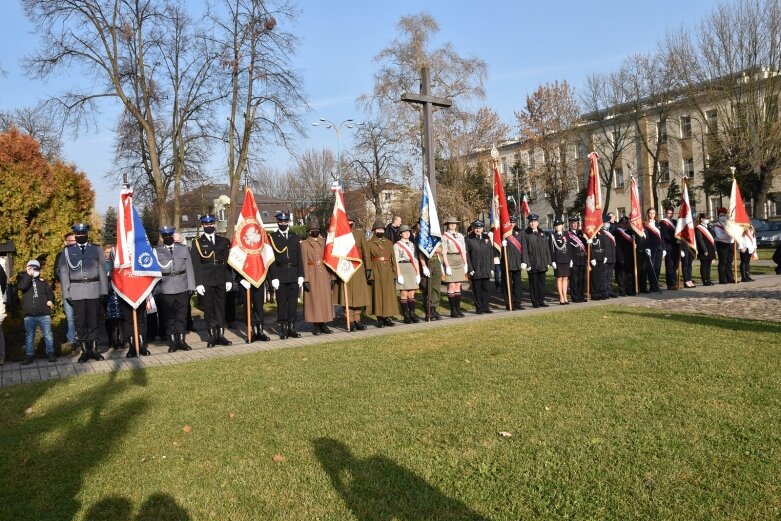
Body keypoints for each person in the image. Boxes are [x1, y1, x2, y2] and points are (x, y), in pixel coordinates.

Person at [60, 222, 108, 363]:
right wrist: (66, 293)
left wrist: (104, 290)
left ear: (87, 234)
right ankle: (84, 351)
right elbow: (64, 273)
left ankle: (93, 350)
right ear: (75, 235)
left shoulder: (96, 249)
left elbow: (102, 271)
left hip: (94, 288)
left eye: (83, 233)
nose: (80, 236)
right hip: (76, 290)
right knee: (80, 322)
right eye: (78, 234)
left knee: (93, 320)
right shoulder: (67, 251)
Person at [191, 214, 232, 347]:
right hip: (206, 279)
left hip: (221, 278)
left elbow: (227, 263)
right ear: (202, 226)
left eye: (211, 224)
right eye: (206, 224)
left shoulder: (223, 241)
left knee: (221, 307)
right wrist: (198, 283)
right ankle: (212, 336)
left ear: (215, 225)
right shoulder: (197, 242)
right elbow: (195, 264)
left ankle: (221, 335)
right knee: (209, 309)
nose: (209, 226)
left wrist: (229, 279)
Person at [155, 225, 196, 352]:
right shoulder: (156, 251)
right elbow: (155, 272)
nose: (168, 237)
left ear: (173, 236)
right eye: (165, 236)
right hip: (165, 288)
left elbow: (189, 268)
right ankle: (173, 342)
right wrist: (156, 289)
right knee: (169, 317)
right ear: (162, 238)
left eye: (170, 235)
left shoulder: (183, 249)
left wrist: (191, 286)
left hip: (182, 287)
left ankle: (182, 341)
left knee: (181, 316)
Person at [332, 213, 371, 331]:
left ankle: (358, 319)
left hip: (358, 269)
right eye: (347, 221)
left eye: (351, 221)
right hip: (344, 269)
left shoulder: (359, 234)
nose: (349, 223)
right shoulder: (338, 235)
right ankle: (350, 321)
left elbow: (366, 252)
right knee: (347, 297)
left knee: (358, 297)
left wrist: (368, 267)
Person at [268, 212, 304, 339]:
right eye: (281, 222)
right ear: (278, 222)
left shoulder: (294, 237)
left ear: (288, 222)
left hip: (293, 274)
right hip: (280, 274)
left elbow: (299, 257)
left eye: (285, 222)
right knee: (282, 303)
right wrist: (273, 277)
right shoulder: (272, 237)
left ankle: (291, 327)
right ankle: (283, 328)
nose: (283, 224)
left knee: (293, 303)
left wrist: (301, 275)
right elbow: (271, 260)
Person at [19, 259, 56, 364]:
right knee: (29, 335)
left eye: (36, 269)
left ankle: (50, 353)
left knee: (48, 334)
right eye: (31, 268)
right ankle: (29, 355)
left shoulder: (43, 281)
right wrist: (28, 275)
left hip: (44, 313)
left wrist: (50, 300)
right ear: (27, 268)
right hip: (29, 314)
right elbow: (22, 287)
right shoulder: (23, 279)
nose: (34, 270)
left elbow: (49, 293)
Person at [301, 219, 335, 335]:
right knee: (314, 300)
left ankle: (324, 324)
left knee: (324, 299)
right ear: (308, 232)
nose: (315, 231)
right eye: (312, 230)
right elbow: (304, 262)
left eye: (317, 229)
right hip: (311, 273)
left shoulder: (325, 242)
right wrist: (305, 280)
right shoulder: (304, 244)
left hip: (324, 273)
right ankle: (315, 325)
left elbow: (330, 260)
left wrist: (332, 276)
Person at [367, 219, 399, 327]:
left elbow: (393, 259)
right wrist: (370, 274)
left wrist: (395, 273)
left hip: (387, 271)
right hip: (376, 270)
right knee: (378, 294)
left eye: (382, 229)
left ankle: (387, 317)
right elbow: (368, 260)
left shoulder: (389, 243)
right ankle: (379, 318)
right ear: (374, 231)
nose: (380, 231)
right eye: (378, 229)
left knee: (388, 295)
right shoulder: (369, 243)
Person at [520, 214, 552, 308]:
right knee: (533, 284)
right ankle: (535, 302)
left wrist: (548, 261)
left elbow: (546, 249)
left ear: (537, 223)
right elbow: (524, 250)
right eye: (531, 222)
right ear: (529, 223)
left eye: (534, 222)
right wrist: (526, 263)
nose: (533, 223)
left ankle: (541, 300)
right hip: (532, 263)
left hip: (542, 262)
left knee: (542, 283)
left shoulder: (542, 233)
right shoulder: (525, 234)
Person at [54, 232, 78, 350]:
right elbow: (57, 272)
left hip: (81, 290)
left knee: (82, 316)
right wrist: (68, 281)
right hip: (67, 289)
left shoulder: (82, 254)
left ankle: (84, 339)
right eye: (71, 241)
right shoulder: (60, 255)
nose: (74, 243)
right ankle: (72, 341)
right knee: (70, 317)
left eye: (75, 241)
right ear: (65, 242)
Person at [394, 224, 422, 323]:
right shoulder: (397, 245)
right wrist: (399, 274)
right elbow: (396, 260)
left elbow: (415, 259)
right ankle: (406, 316)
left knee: (411, 293)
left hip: (411, 268)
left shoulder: (412, 245)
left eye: (408, 232)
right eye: (405, 232)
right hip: (402, 267)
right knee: (404, 293)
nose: (407, 233)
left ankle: (412, 315)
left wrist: (418, 273)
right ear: (401, 234)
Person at [441, 216, 467, 318]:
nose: (453, 225)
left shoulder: (460, 235)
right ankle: (453, 310)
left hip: (459, 259)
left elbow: (463, 250)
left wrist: (465, 263)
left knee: (458, 285)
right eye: (451, 223)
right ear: (447, 225)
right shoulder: (445, 236)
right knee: (451, 285)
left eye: (454, 223)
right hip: (450, 259)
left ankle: (458, 309)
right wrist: (447, 266)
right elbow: (443, 252)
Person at [465, 221, 493, 314]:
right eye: (476, 227)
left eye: (480, 228)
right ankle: (479, 308)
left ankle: (486, 307)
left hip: (486, 268)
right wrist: (470, 269)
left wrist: (491, 267)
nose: (478, 229)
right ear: (473, 228)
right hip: (475, 268)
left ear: (483, 228)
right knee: (477, 290)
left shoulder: (487, 238)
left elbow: (490, 253)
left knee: (486, 289)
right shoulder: (469, 239)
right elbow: (467, 255)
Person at [500, 216, 525, 310]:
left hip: (517, 262)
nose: (512, 224)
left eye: (513, 222)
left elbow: (524, 247)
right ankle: (509, 303)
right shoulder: (503, 233)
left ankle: (518, 302)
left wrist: (524, 260)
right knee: (507, 284)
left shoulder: (520, 232)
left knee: (518, 284)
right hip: (506, 262)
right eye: (510, 222)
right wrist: (502, 246)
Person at [102, 245, 123, 350]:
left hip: (117, 293)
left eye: (110, 252)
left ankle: (120, 339)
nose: (108, 254)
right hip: (106, 295)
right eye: (106, 252)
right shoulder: (101, 264)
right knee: (108, 320)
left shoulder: (116, 264)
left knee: (119, 317)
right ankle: (111, 339)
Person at [418, 240, 443, 320]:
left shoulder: (435, 237)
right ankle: (428, 311)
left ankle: (433, 309)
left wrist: (432, 248)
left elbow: (440, 250)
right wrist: (424, 266)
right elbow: (421, 253)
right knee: (427, 288)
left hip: (436, 261)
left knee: (436, 288)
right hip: (426, 262)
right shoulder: (423, 236)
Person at [640, 208, 663, 293]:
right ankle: (652, 286)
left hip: (659, 248)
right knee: (651, 268)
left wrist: (663, 248)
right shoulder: (645, 224)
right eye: (650, 213)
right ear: (647, 214)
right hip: (651, 249)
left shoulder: (657, 224)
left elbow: (662, 237)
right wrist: (647, 247)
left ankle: (656, 285)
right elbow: (646, 237)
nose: (652, 214)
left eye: (653, 213)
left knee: (657, 267)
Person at [615, 216, 639, 296]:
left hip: (630, 256)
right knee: (621, 275)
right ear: (620, 224)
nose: (624, 224)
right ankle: (622, 291)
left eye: (626, 223)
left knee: (629, 274)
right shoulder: (617, 232)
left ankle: (629, 289)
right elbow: (617, 246)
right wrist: (620, 258)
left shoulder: (630, 232)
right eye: (623, 223)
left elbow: (637, 240)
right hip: (621, 256)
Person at [549, 219, 571, 305]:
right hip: (558, 260)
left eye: (560, 225)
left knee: (565, 278)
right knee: (559, 278)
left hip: (566, 259)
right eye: (556, 225)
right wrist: (553, 261)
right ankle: (561, 297)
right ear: (555, 227)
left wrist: (571, 259)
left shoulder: (566, 235)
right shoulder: (552, 236)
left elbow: (569, 247)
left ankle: (565, 296)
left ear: (562, 226)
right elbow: (551, 249)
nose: (558, 227)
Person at [566, 215, 587, 303]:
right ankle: (575, 296)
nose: (575, 225)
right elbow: (568, 248)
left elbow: (585, 246)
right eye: (573, 223)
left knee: (582, 279)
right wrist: (570, 259)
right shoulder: (567, 234)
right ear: (570, 224)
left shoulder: (581, 233)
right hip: (574, 259)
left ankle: (581, 295)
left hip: (582, 259)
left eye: (576, 223)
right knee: (574, 279)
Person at [712, 207, 736, 283]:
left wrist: (732, 235)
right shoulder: (717, 225)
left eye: (724, 215)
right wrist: (729, 235)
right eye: (721, 215)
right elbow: (720, 236)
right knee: (723, 262)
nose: (723, 216)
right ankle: (722, 279)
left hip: (730, 244)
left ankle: (730, 278)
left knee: (729, 262)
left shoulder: (729, 223)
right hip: (721, 244)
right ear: (718, 216)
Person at [597, 216, 617, 299]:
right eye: (607, 222)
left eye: (609, 222)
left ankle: (609, 290)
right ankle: (603, 291)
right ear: (602, 223)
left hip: (612, 257)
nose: (608, 224)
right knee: (603, 275)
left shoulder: (610, 232)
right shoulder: (600, 233)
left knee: (609, 275)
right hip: (604, 257)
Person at [659, 207, 680, 289]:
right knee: (670, 266)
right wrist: (676, 239)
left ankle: (674, 282)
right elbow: (665, 235)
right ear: (665, 213)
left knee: (675, 265)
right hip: (668, 246)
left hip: (676, 246)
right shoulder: (663, 223)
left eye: (671, 213)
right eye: (668, 213)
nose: (670, 215)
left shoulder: (675, 222)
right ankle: (670, 284)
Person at [695, 213, 716, 286]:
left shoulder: (709, 227)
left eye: (708, 219)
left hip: (710, 248)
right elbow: (700, 240)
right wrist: (705, 250)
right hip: (704, 249)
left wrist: (714, 249)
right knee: (704, 265)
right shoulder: (698, 228)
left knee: (708, 265)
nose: (707, 220)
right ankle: (705, 280)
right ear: (701, 219)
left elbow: (713, 237)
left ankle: (708, 279)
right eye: (706, 218)